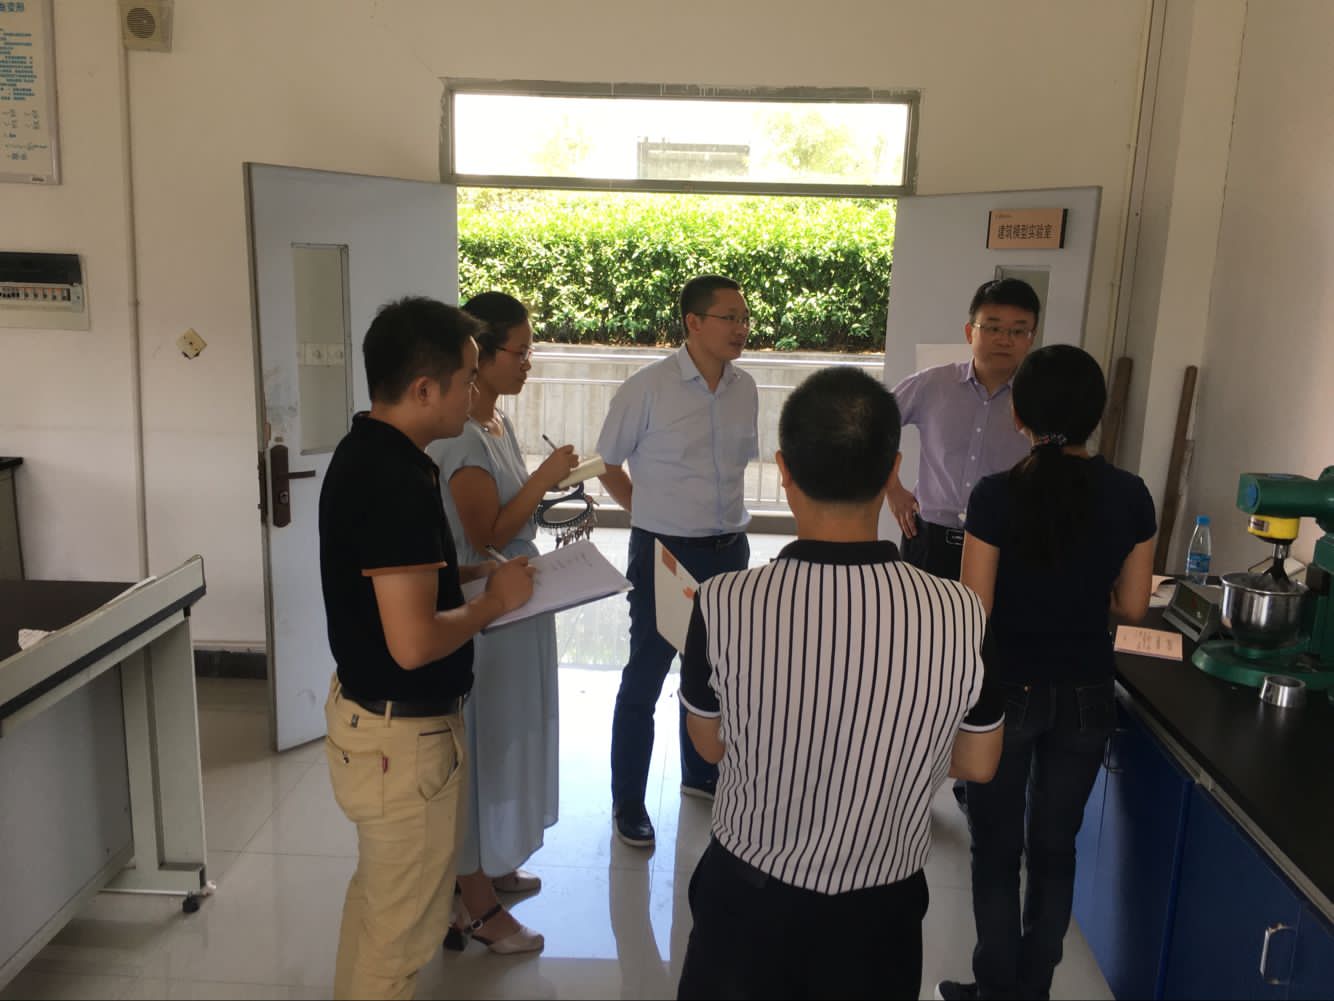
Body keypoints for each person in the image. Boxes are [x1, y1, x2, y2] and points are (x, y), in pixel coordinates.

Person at [677, 367, 1006, 1001]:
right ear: (893, 470)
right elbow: (979, 762)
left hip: (749, 896)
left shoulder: (722, 602)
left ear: (783, 469)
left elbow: (710, 744)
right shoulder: (961, 612)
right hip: (880, 909)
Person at [319, 296, 535, 1000]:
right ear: (423, 389)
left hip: (374, 725)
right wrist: (495, 604)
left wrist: (472, 576)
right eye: (466, 378)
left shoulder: (369, 449)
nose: (475, 393)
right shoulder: (397, 482)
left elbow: (395, 582)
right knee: (399, 941)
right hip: (401, 740)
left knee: (378, 909)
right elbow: (413, 643)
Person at [936, 345, 1155, 1001]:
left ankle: (994, 987)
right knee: (1056, 847)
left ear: (1020, 416)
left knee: (996, 848)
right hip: (1087, 691)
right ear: (1096, 416)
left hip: (1007, 691)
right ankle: (1034, 988)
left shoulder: (996, 495)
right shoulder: (1131, 494)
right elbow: (1134, 606)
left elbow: (974, 608)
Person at [426, 292, 578, 955]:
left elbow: (515, 516)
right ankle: (471, 893)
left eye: (529, 351)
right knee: (484, 744)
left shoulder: (496, 422)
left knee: (512, 734)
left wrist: (547, 489)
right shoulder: (462, 435)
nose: (527, 363)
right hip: (486, 606)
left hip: (518, 597)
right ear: (481, 356)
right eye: (518, 351)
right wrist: (543, 479)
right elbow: (486, 531)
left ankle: (491, 861)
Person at [596, 274, 759, 849]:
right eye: (730, 317)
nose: (741, 328)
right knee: (646, 674)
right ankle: (629, 801)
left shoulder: (745, 388)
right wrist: (648, 512)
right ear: (694, 322)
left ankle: (701, 774)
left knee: (716, 672)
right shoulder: (648, 387)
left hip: (729, 550)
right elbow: (606, 462)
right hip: (664, 551)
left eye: (745, 318)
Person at [887, 277, 1040, 581]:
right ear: (970, 332)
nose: (1004, 340)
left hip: (1005, 543)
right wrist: (892, 489)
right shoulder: (932, 384)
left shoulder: (1038, 397)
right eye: (993, 328)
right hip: (929, 540)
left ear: (1030, 338)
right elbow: (869, 429)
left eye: (1017, 331)